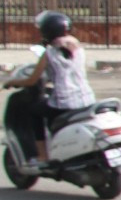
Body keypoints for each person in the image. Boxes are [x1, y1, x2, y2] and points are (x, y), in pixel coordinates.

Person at [4, 12, 96, 167]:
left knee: (35, 113)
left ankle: (42, 155)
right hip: (87, 100)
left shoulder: (49, 53)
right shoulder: (79, 49)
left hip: (64, 102)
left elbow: (32, 80)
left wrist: (13, 81)